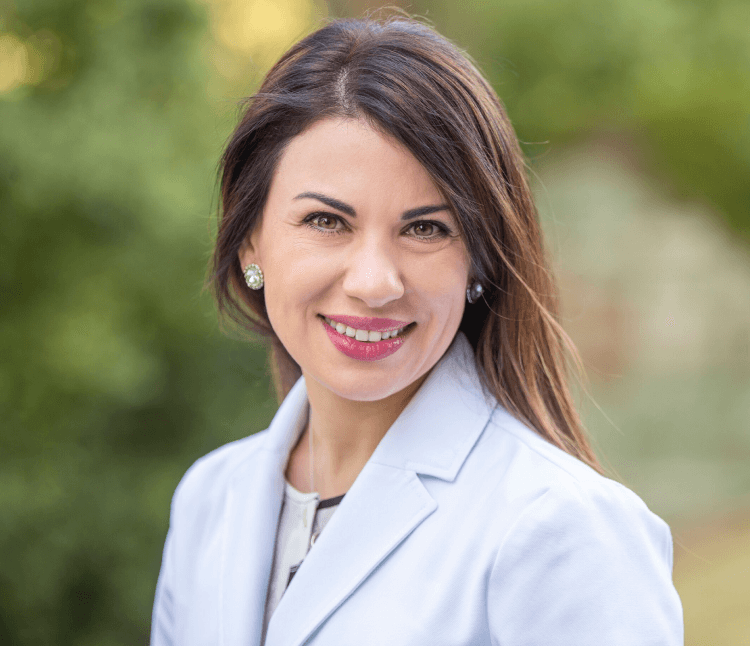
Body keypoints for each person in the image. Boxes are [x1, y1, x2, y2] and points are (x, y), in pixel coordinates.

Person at [150, 15, 683, 646]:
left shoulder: (561, 527)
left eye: (426, 228)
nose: (375, 282)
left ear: (478, 263)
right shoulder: (210, 501)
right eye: (326, 221)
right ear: (249, 244)